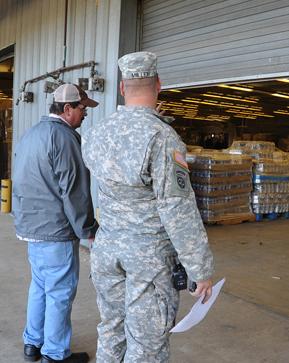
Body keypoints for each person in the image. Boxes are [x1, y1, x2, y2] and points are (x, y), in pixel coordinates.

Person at [82, 51, 215, 363]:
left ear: (122, 88)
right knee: (146, 345)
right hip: (147, 257)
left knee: (111, 330)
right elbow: (177, 208)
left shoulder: (96, 133)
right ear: (158, 85)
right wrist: (201, 269)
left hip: (106, 249)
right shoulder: (163, 137)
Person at [12, 83, 99, 363]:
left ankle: (32, 345)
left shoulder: (30, 135)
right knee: (60, 292)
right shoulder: (65, 137)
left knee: (39, 286)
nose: (85, 114)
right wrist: (89, 231)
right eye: (83, 108)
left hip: (31, 228)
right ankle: (55, 354)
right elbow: (75, 191)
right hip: (55, 231)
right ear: (67, 109)